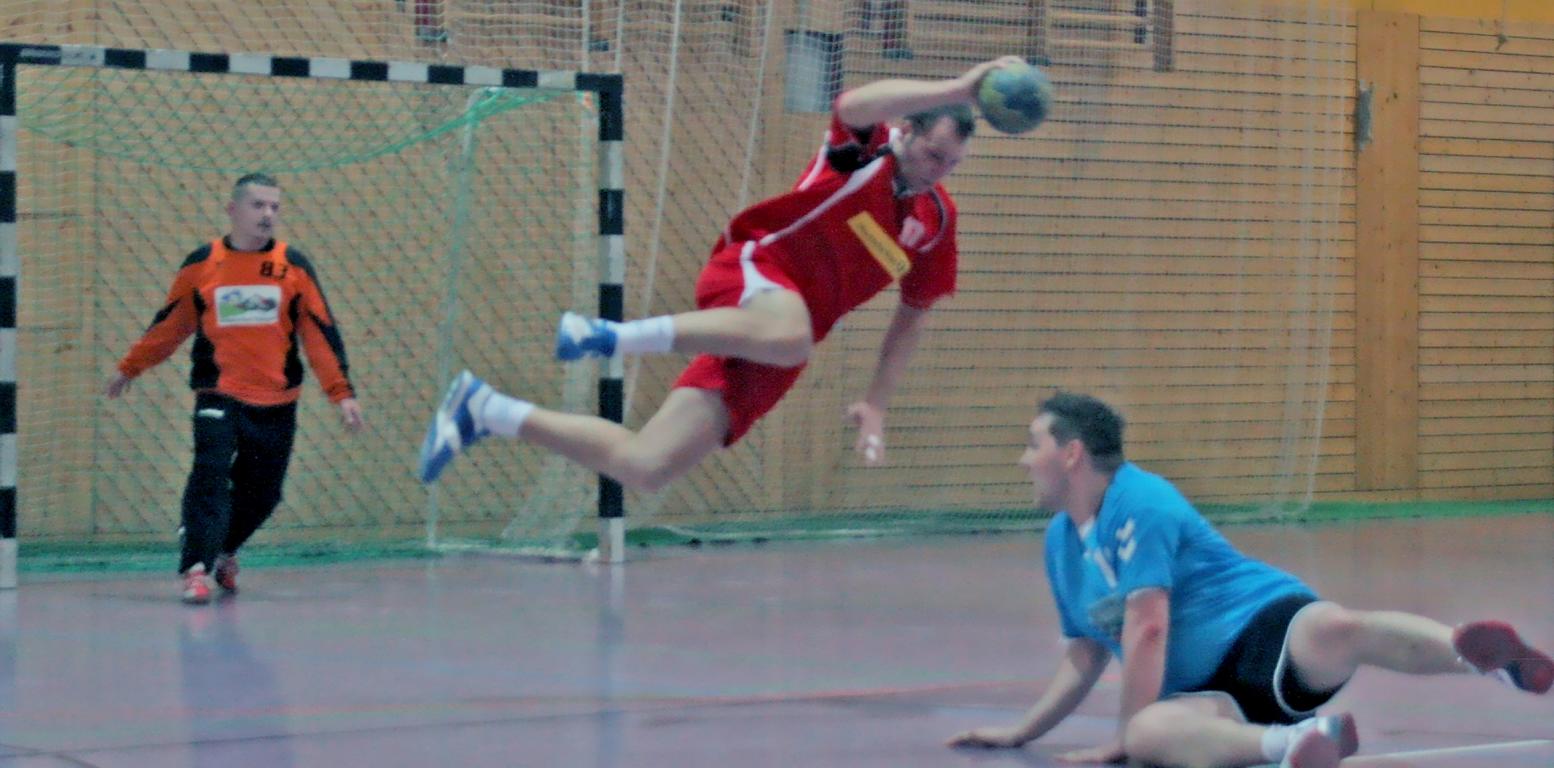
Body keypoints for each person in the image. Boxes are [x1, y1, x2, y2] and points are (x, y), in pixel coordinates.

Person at [418, 56, 1026, 490]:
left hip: (772, 343)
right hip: (758, 270)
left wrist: (876, 403)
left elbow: (912, 319)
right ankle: (608, 337)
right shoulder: (861, 154)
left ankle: (486, 410)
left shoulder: (935, 221)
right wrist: (960, 88)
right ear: (906, 131)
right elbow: (853, 104)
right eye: (932, 153)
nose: (938, 170)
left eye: (952, 164)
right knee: (791, 335)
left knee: (646, 467)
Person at [946, 392, 1553, 768]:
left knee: (1337, 628)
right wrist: (1022, 732)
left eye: (1033, 445)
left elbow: (1148, 628)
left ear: (1072, 454)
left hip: (1267, 630)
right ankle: (1298, 744)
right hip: (1211, 694)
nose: (1024, 460)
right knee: (1156, 733)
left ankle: (1479, 654)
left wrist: (1120, 737)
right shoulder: (1060, 544)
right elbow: (1085, 653)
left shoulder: (1141, 503)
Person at [105, 173, 364, 604]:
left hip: (276, 401)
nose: (267, 215)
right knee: (209, 474)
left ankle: (225, 550)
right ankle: (196, 568)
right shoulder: (202, 264)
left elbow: (319, 333)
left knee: (264, 494)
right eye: (258, 205)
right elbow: (171, 324)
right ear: (233, 210)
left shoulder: (293, 266)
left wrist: (342, 393)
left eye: (274, 207)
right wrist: (131, 367)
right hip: (219, 393)